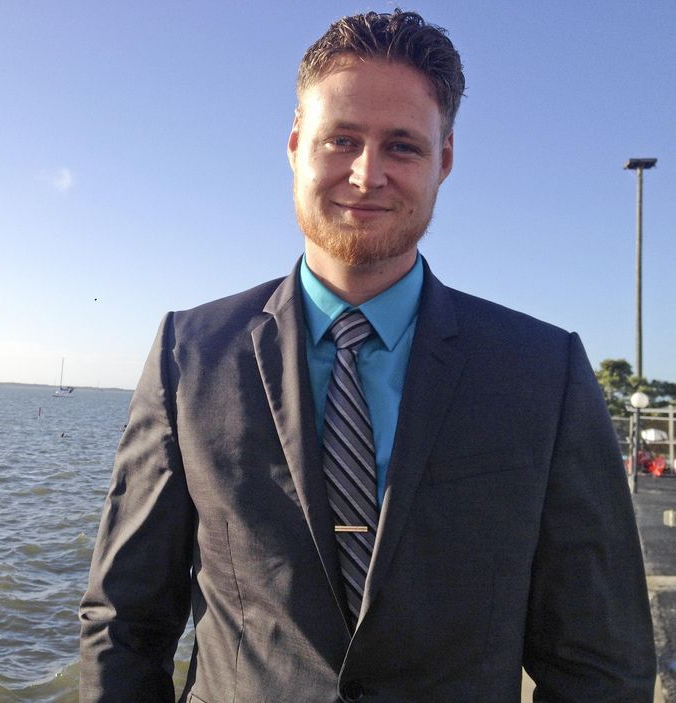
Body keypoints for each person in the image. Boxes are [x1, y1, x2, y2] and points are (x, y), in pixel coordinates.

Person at [79, 10, 655, 702]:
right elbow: (126, 621)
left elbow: (601, 658)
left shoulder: (542, 372)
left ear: (444, 160)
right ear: (296, 145)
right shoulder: (190, 355)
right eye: (341, 139)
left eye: (403, 147)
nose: (366, 173)